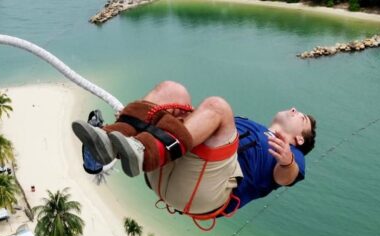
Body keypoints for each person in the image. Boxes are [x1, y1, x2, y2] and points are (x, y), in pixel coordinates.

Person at [72, 81, 316, 228]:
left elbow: (287, 177)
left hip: (207, 190)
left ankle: (144, 149)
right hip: (175, 166)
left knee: (218, 106)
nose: (294, 109)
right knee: (172, 90)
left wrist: (287, 161)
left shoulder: (293, 153)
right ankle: (105, 144)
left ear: (300, 139)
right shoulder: (250, 125)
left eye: (301, 117)